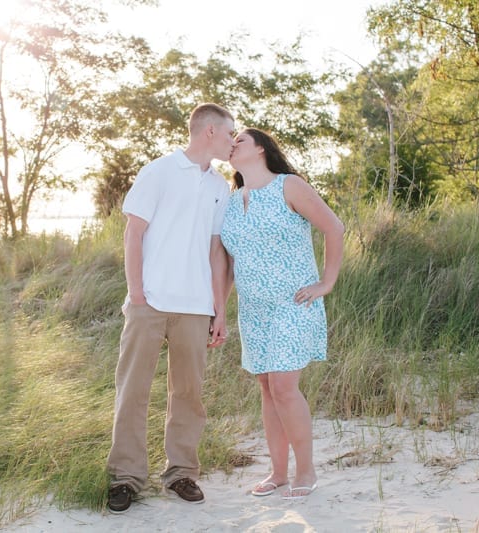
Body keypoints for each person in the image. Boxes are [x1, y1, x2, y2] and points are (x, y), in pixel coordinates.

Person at [106, 103, 235, 514]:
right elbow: (134, 233)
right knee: (133, 391)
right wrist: (137, 293)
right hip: (150, 303)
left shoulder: (220, 187)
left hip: (196, 307)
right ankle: (125, 478)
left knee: (189, 394)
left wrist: (220, 310)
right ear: (210, 131)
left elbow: (217, 252)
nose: (234, 141)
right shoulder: (158, 171)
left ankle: (181, 473)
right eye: (231, 133)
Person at [220, 127, 344, 500]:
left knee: (284, 388)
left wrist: (326, 283)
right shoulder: (230, 201)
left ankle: (306, 470)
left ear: (260, 148)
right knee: (266, 388)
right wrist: (220, 311)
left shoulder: (289, 186)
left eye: (239, 139)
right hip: (253, 309)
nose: (232, 144)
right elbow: (228, 262)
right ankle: (277, 473)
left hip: (293, 303)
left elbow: (334, 228)